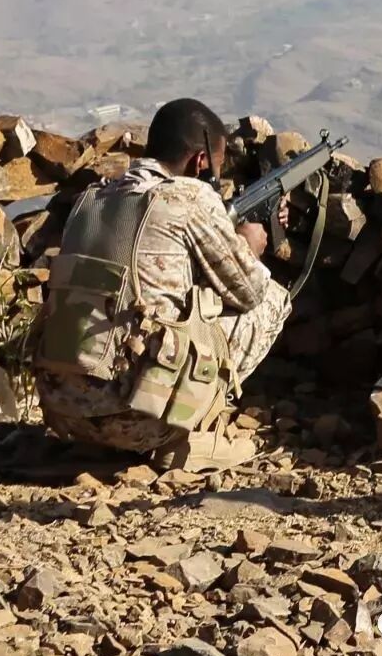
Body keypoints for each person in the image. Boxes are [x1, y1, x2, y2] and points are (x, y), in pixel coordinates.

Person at [34, 98, 293, 471]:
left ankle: (107, 440)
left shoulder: (90, 199)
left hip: (65, 415)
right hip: (140, 422)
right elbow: (248, 292)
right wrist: (248, 248)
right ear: (200, 162)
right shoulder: (189, 197)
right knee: (272, 298)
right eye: (216, 168)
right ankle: (189, 432)